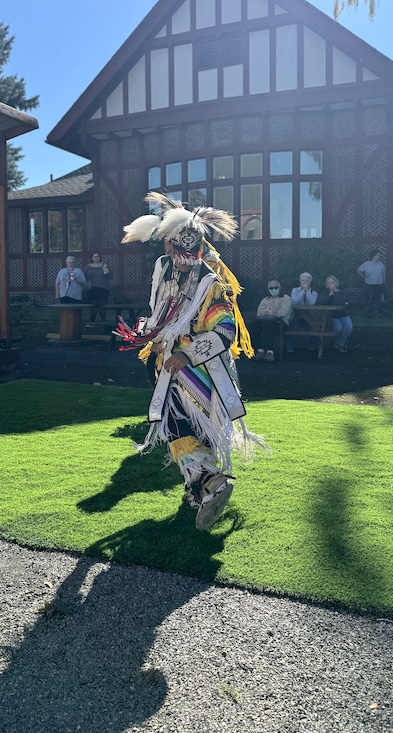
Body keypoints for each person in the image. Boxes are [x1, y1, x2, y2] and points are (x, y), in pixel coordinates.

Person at [116, 191, 266, 531]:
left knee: (180, 425)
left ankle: (208, 482)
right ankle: (201, 489)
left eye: (192, 251)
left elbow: (225, 330)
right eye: (179, 251)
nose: (186, 258)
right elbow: (157, 316)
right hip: (169, 365)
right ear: (167, 246)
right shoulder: (163, 271)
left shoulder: (210, 283)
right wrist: (148, 336)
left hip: (201, 373)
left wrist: (186, 353)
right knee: (179, 427)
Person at [254, 279, 292, 362]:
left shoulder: (286, 298)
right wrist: (272, 311)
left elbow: (283, 313)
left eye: (275, 287)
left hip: (281, 323)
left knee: (267, 324)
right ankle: (260, 350)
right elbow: (259, 313)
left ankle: (270, 352)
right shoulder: (265, 299)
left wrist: (268, 311)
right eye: (271, 288)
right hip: (265, 321)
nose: (273, 289)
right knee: (253, 324)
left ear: (279, 287)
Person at [318, 275, 353, 352]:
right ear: (327, 285)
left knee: (349, 327)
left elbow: (339, 303)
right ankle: (338, 342)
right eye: (329, 283)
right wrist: (330, 295)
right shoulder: (325, 293)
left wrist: (336, 293)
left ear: (336, 283)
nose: (331, 285)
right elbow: (322, 302)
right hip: (332, 316)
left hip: (343, 315)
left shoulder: (342, 293)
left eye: (332, 283)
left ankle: (340, 343)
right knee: (338, 328)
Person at [84, 252, 111, 323]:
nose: (96, 258)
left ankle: (104, 322)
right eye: (94, 257)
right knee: (93, 306)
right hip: (92, 289)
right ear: (92, 258)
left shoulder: (104, 265)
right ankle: (92, 322)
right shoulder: (88, 267)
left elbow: (110, 277)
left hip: (102, 289)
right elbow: (83, 277)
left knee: (102, 306)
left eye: (97, 256)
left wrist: (106, 270)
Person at [357, 250, 386, 317]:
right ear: (373, 256)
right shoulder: (367, 264)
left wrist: (383, 282)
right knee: (370, 299)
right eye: (377, 255)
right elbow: (358, 270)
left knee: (380, 299)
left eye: (379, 255)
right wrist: (363, 276)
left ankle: (380, 313)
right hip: (369, 284)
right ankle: (369, 313)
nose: (379, 256)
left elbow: (383, 273)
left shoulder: (381, 264)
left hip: (379, 284)